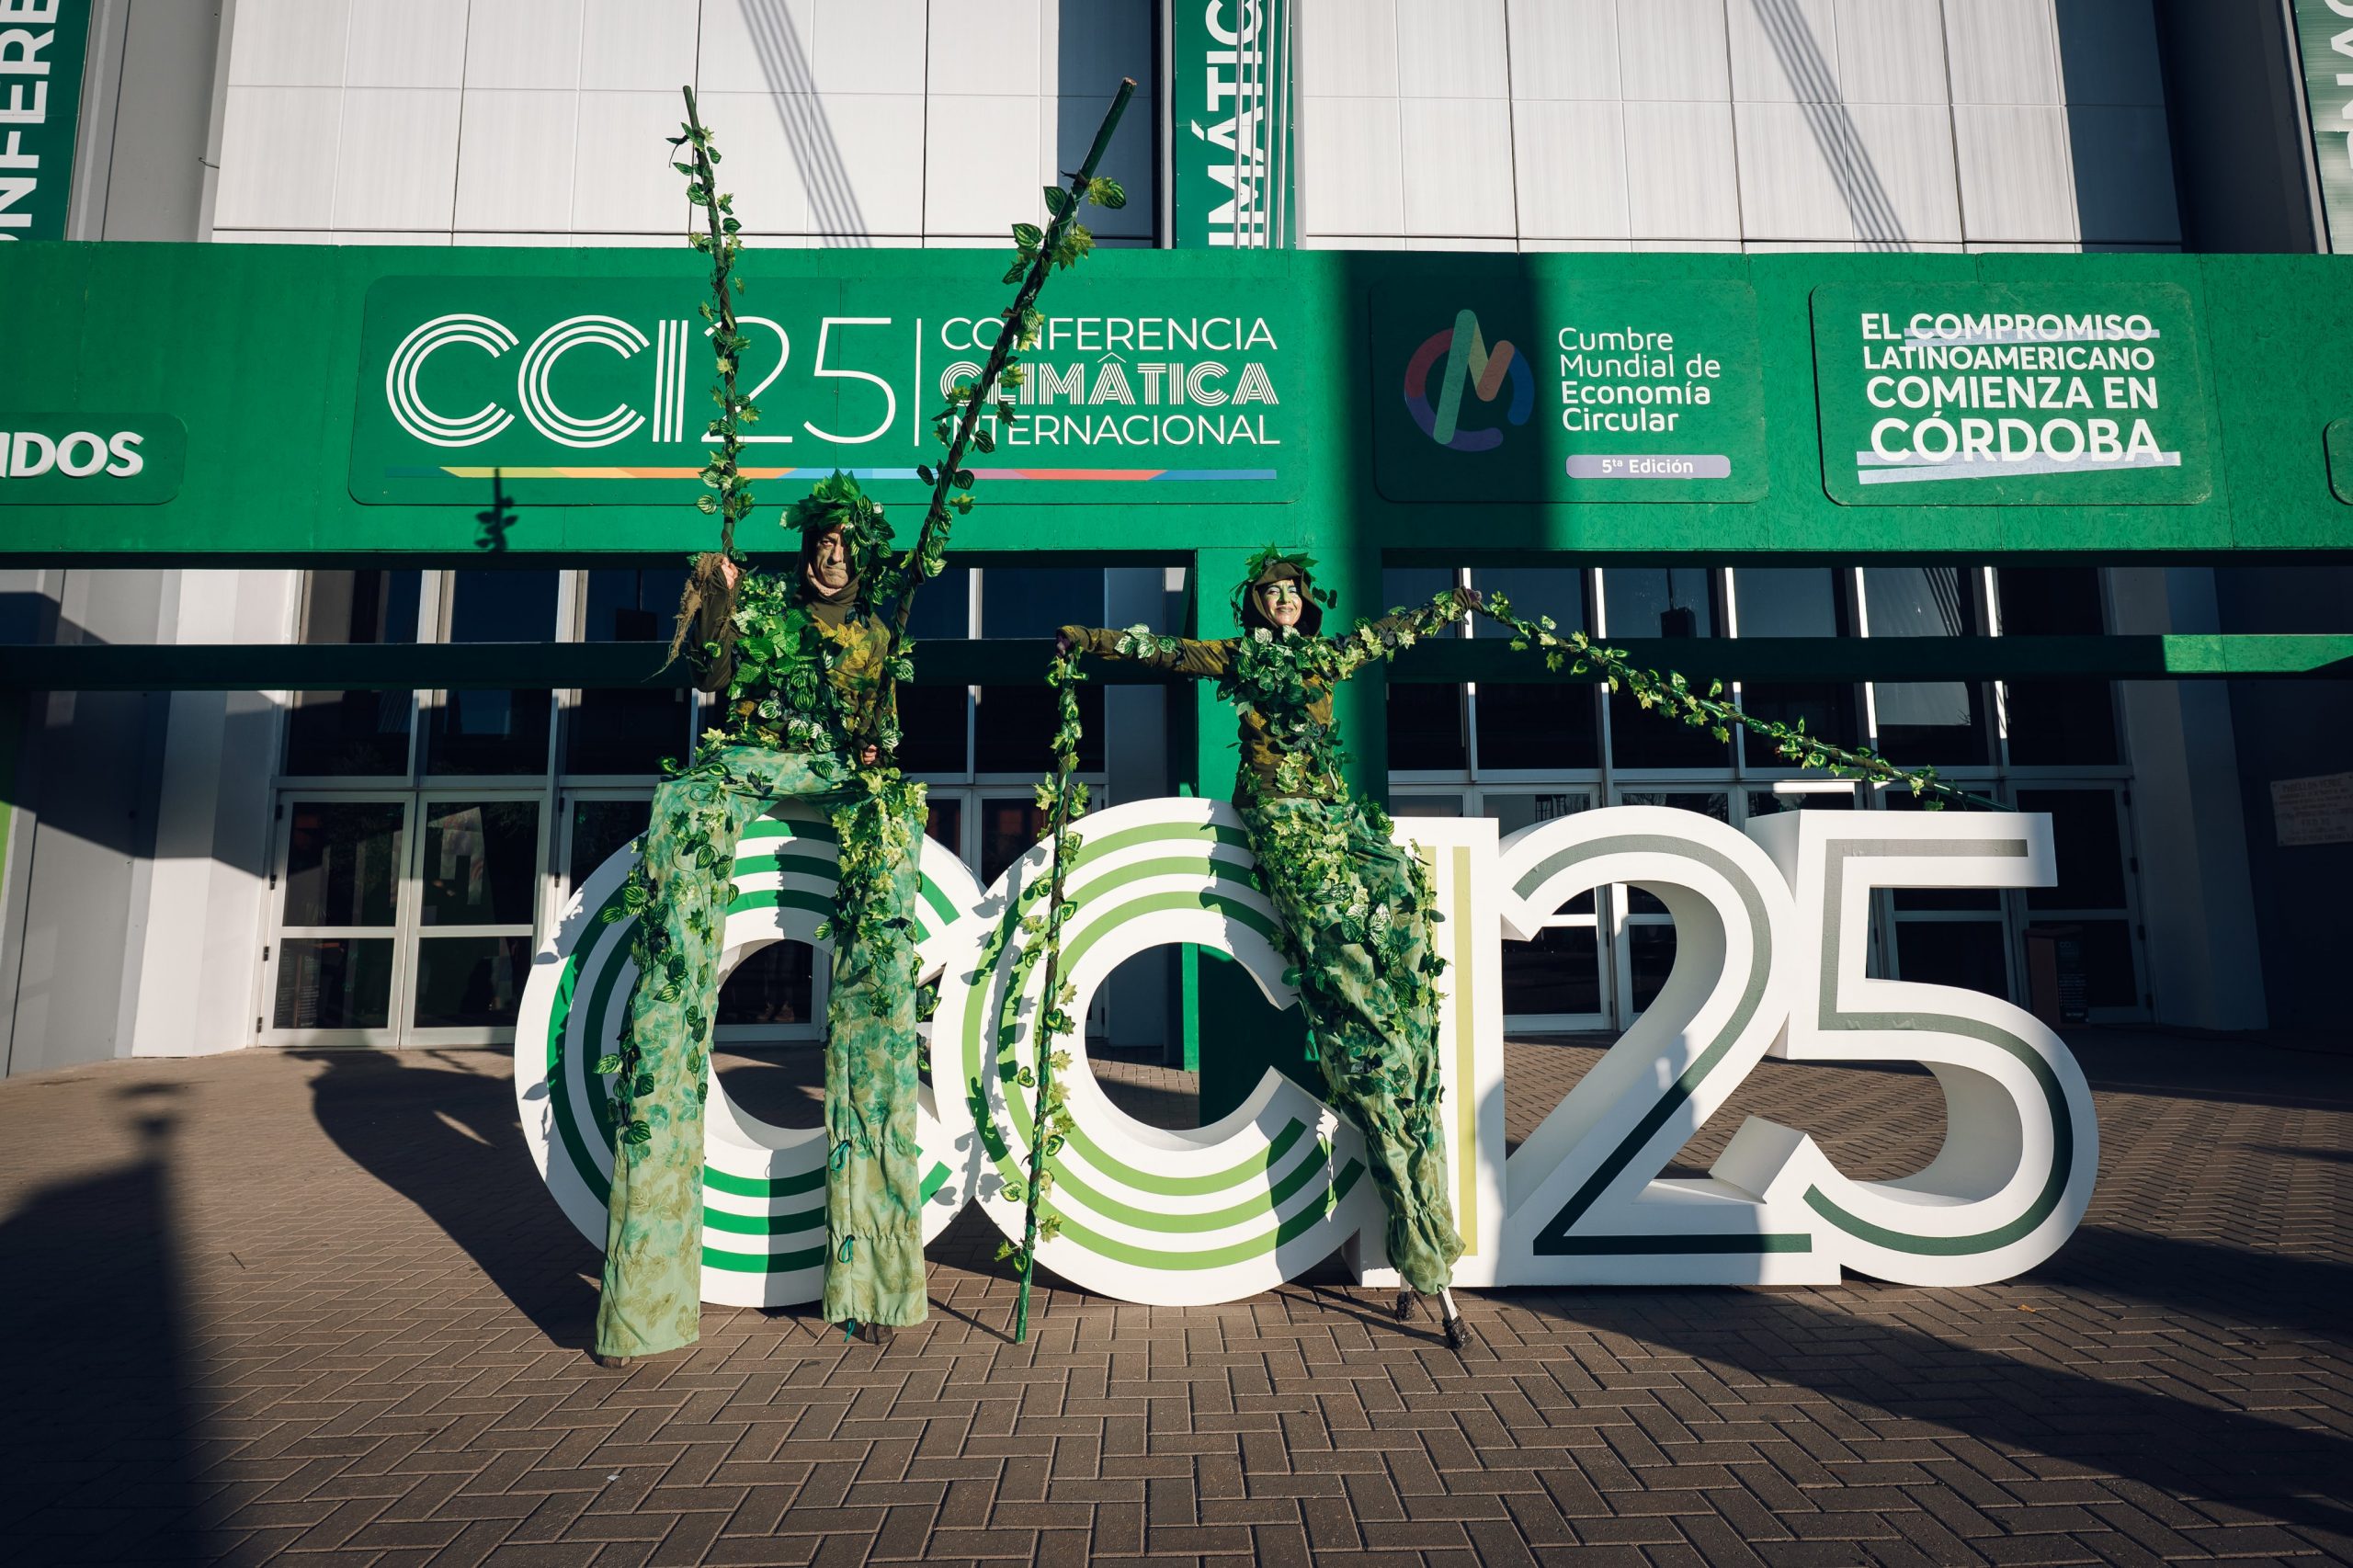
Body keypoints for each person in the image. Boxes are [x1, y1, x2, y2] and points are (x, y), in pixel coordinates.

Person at [1057, 551, 1481, 1346]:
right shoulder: (1240, 656)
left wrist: (1445, 607)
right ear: (1256, 603)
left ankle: (1412, 1158)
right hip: (1284, 817)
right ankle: (1417, 1227)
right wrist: (1091, 638)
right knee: (1353, 988)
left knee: (1401, 894)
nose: (1283, 599)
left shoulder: (1326, 655)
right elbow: (1168, 653)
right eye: (1271, 592)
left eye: (1293, 592)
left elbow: (1384, 635)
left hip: (1335, 815)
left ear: (1304, 603)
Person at [594, 472, 927, 1364]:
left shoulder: (877, 634)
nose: (831, 555)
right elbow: (711, 675)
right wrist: (716, 598)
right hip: (746, 760)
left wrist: (872, 747)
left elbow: (882, 735)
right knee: (682, 812)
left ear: (866, 558)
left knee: (889, 839)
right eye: (822, 539)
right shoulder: (766, 604)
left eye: (847, 545)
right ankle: (647, 1298)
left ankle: (875, 1278)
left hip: (833, 773)